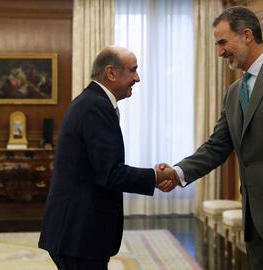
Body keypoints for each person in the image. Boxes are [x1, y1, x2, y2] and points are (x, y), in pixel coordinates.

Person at [158, 6, 263, 270]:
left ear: (247, 35)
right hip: (255, 223)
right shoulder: (235, 91)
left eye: (223, 42)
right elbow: (216, 147)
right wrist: (177, 172)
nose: (219, 52)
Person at [39, 46, 177, 270]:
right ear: (111, 73)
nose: (137, 78)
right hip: (80, 234)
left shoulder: (92, 102)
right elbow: (110, 174)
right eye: (133, 71)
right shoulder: (95, 106)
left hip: (77, 232)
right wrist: (155, 176)